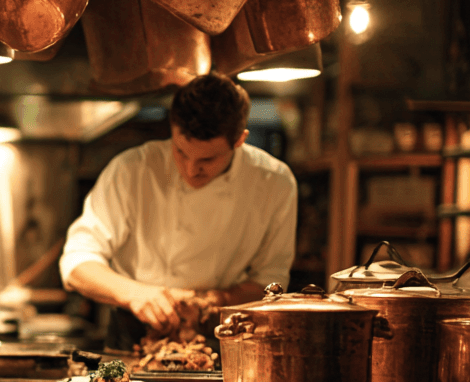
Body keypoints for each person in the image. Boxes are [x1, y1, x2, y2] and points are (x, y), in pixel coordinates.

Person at [60, 74, 297, 331]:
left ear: (240, 140)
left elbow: (271, 281)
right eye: (181, 152)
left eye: (207, 160)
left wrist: (216, 300)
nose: (191, 170)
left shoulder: (274, 182)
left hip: (222, 329)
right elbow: (77, 262)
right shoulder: (132, 170)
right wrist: (134, 293)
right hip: (133, 327)